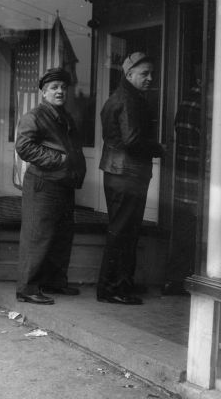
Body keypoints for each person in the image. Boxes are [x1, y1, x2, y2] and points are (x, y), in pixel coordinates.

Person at [14, 68, 87, 305]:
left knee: (60, 236)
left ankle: (55, 281)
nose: (60, 92)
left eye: (63, 88)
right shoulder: (34, 116)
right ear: (44, 92)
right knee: (38, 236)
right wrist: (59, 160)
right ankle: (27, 288)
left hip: (63, 184)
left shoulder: (64, 116)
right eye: (54, 88)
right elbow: (24, 148)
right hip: (43, 185)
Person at [98, 52, 165, 305]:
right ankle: (113, 288)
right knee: (123, 232)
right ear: (128, 74)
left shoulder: (122, 96)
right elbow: (132, 140)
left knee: (122, 231)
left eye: (151, 73)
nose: (150, 78)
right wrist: (160, 149)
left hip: (119, 173)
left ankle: (118, 284)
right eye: (144, 73)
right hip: (127, 175)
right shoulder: (130, 100)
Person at [162, 68, 202, 296]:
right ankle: (180, 281)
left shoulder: (189, 102)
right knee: (191, 234)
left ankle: (175, 280)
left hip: (186, 178)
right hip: (196, 179)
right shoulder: (200, 105)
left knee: (184, 232)